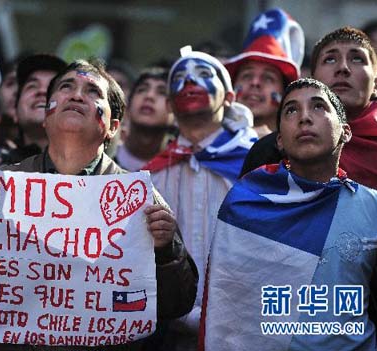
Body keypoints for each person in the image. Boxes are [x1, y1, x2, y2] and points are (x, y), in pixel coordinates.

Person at [0, 58, 198, 351]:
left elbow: (177, 304)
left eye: (93, 92)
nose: (76, 95)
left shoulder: (139, 198)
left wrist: (166, 251)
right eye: (66, 86)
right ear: (46, 117)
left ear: (113, 127)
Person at [201, 78, 377, 351]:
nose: (304, 118)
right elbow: (228, 310)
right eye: (291, 110)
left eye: (318, 107)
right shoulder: (246, 203)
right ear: (279, 140)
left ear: (346, 132)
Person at [143, 46, 256, 350]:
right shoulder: (150, 176)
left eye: (204, 75)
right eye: (179, 77)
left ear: (230, 97)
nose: (190, 81)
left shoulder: (255, 164)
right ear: (169, 104)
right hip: (169, 333)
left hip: (243, 329)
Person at [241, 27, 377, 193]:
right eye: (330, 60)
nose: (343, 68)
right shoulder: (272, 149)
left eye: (357, 59)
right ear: (313, 80)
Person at [225, 7, 305, 138]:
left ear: (285, 94)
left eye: (268, 78)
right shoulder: (205, 144)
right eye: (247, 76)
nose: (255, 83)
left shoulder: (301, 152)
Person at [6, 54, 67, 163]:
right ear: (15, 112)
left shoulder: (96, 172)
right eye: (32, 86)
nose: (42, 91)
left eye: (52, 87)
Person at [115, 67, 175, 171]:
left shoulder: (184, 169)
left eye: (162, 92)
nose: (149, 96)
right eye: (142, 90)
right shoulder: (101, 156)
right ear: (127, 107)